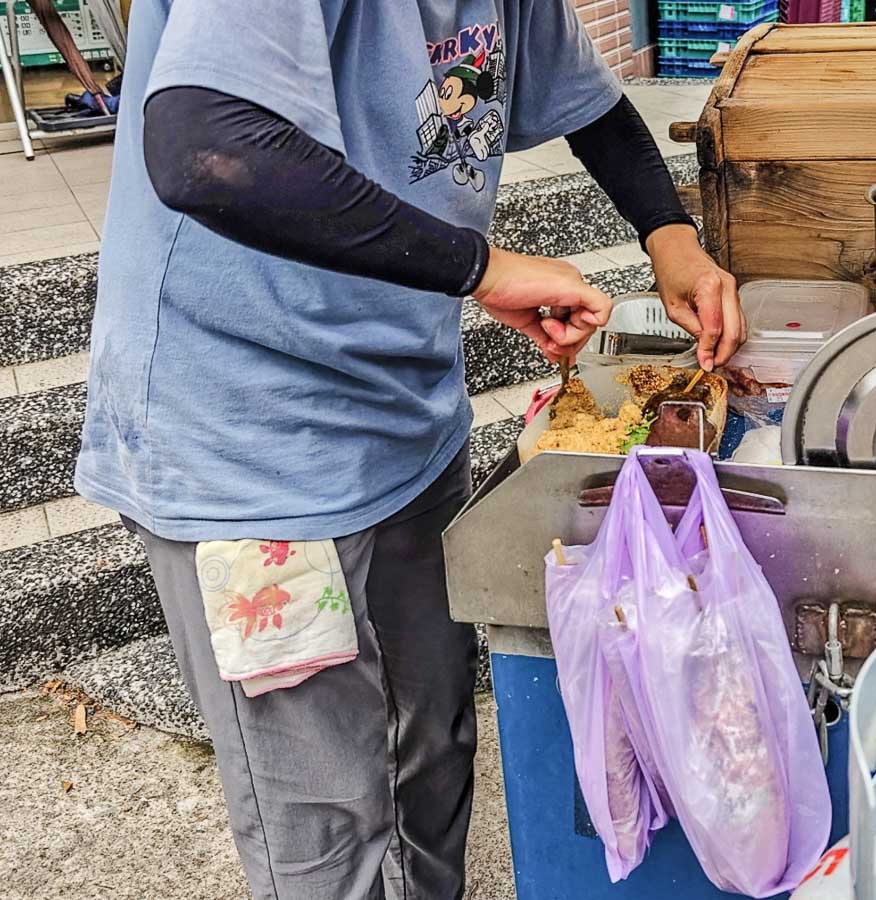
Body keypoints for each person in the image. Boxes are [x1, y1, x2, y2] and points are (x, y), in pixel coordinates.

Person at [74, 1, 745, 898]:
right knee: (324, 819)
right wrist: (484, 266)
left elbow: (591, 105)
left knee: (429, 757)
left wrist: (673, 241)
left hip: (404, 419)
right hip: (249, 452)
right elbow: (207, 147)